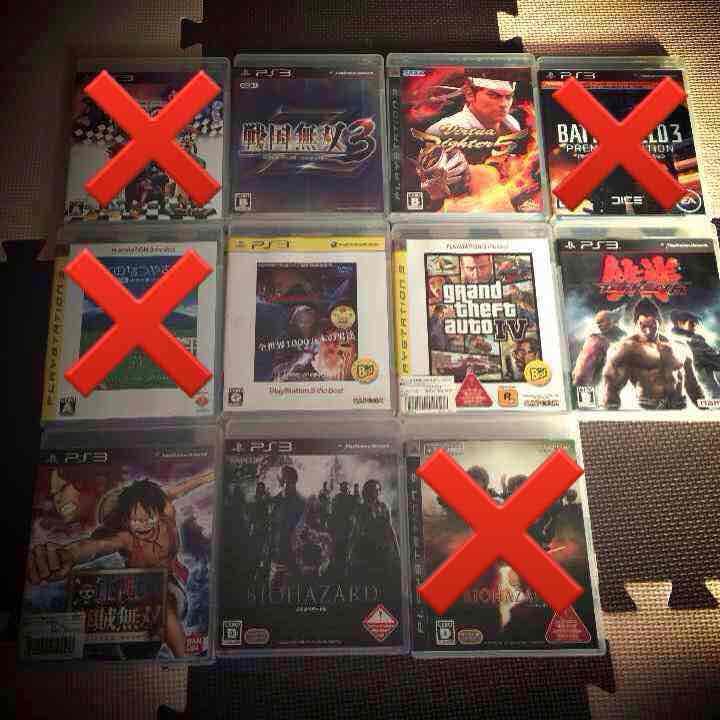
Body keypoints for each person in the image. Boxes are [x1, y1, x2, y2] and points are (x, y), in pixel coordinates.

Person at [26, 470, 213, 658]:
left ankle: (185, 661)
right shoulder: (126, 539)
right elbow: (97, 546)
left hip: (169, 589)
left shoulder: (166, 511)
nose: (142, 526)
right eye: (134, 521)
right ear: (126, 520)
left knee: (163, 602)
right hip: (134, 601)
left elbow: (184, 486)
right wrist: (67, 555)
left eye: (147, 519)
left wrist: (212, 475)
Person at [602, 298, 704, 409]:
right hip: (649, 408)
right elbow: (610, 387)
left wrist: (706, 408)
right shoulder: (626, 348)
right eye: (643, 326)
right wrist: (611, 410)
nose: (648, 331)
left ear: (659, 322)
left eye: (652, 326)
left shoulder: (680, 347)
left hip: (678, 406)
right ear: (635, 324)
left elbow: (693, 385)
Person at [425, 78, 519, 137]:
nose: (504, 104)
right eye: (493, 95)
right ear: (470, 94)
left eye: (508, 97)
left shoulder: (512, 122)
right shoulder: (440, 131)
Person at [347, 480, 399, 583]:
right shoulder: (360, 509)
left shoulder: (384, 507)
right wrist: (350, 552)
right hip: (365, 549)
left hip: (381, 549)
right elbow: (356, 531)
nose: (375, 493)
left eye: (377, 490)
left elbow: (391, 529)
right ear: (366, 492)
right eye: (372, 490)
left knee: (383, 578)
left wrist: (397, 551)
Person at [269, 466, 306, 588]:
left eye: (285, 480)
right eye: (282, 480)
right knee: (275, 588)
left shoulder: (301, 503)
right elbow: (272, 527)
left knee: (290, 587)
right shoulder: (276, 501)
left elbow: (302, 532)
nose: (283, 483)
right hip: (277, 554)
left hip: (292, 555)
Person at [670, 309, 720, 398]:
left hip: (692, 390)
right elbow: (716, 361)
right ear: (679, 323)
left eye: (695, 323)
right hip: (706, 390)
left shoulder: (673, 339)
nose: (695, 326)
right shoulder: (693, 341)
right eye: (691, 323)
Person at [572, 310, 626, 387]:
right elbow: (583, 368)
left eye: (601, 322)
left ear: (611, 321)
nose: (599, 325)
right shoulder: (595, 340)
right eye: (598, 323)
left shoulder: (598, 340)